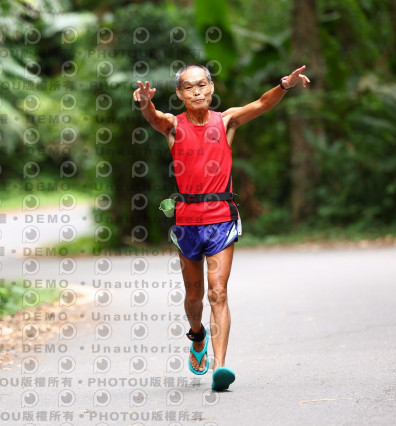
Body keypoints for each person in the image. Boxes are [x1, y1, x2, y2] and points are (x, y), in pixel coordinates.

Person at [133, 64, 310, 391]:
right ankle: (197, 335)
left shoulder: (226, 121)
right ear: (180, 93)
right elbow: (153, 117)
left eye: (202, 85)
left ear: (211, 87)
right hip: (187, 222)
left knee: (218, 292)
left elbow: (261, 104)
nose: (197, 92)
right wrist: (144, 101)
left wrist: (284, 85)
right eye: (189, 87)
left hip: (221, 219)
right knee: (194, 297)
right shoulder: (174, 125)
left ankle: (220, 367)